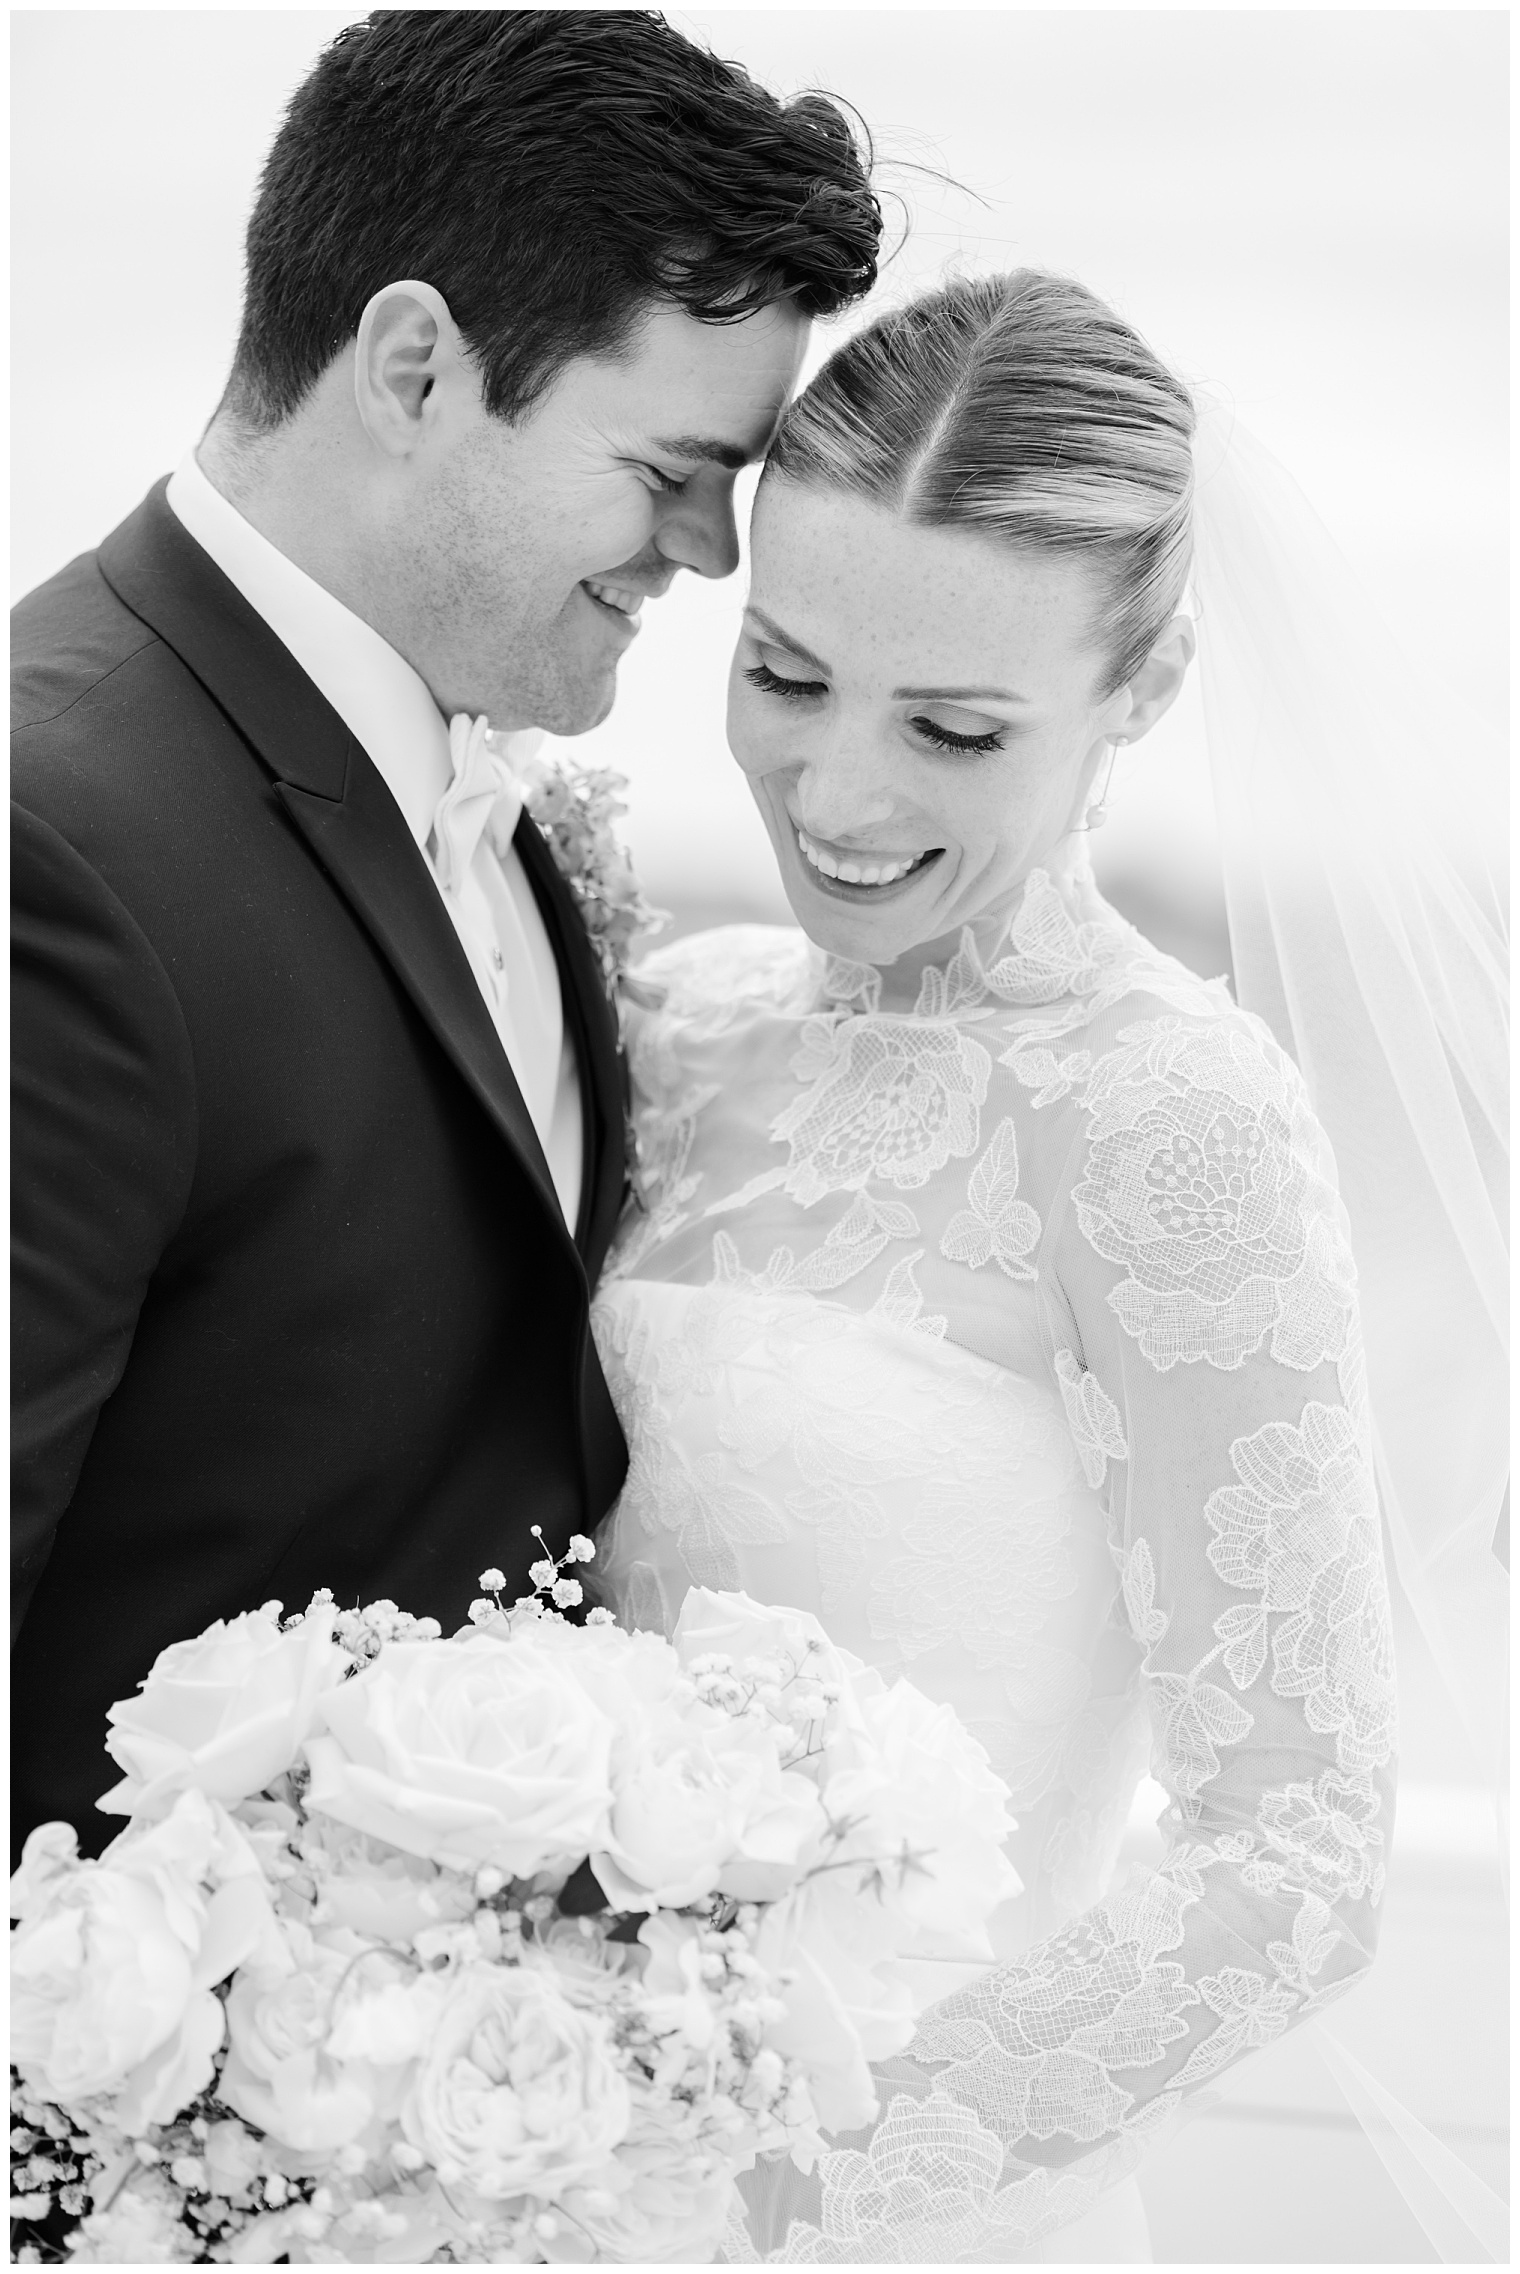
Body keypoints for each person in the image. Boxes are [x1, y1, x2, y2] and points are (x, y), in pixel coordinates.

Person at [590, 269, 1506, 2259]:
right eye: (785, 673)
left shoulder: (1165, 1124)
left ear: (1139, 693)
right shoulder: (681, 1022)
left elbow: (1295, 1851)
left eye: (952, 726)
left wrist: (786, 2186)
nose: (837, 792)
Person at [9, 8, 881, 1856]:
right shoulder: (49, 839)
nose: (714, 556)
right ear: (413, 366)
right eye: (668, 472)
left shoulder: (476, 788)